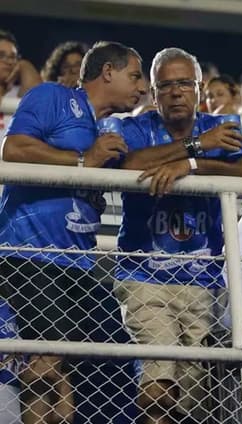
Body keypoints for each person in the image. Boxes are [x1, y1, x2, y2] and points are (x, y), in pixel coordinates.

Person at [0, 40, 146, 424]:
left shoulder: (108, 128)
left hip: (79, 265)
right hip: (29, 253)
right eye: (135, 75)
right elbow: (14, 149)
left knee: (106, 362)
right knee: (47, 363)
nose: (143, 87)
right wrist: (84, 160)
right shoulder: (54, 96)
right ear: (108, 72)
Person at [115, 47, 242, 424]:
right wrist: (197, 147)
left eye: (183, 84)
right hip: (145, 276)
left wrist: (188, 165)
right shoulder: (134, 127)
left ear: (199, 87)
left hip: (203, 282)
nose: (175, 92)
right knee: (158, 390)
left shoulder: (222, 125)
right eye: (165, 86)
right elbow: (129, 164)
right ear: (153, 93)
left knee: (190, 402)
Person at [0, 29, 41, 140]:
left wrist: (24, 65)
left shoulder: (19, 93)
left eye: (13, 57)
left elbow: (40, 101)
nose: (9, 62)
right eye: (1, 55)